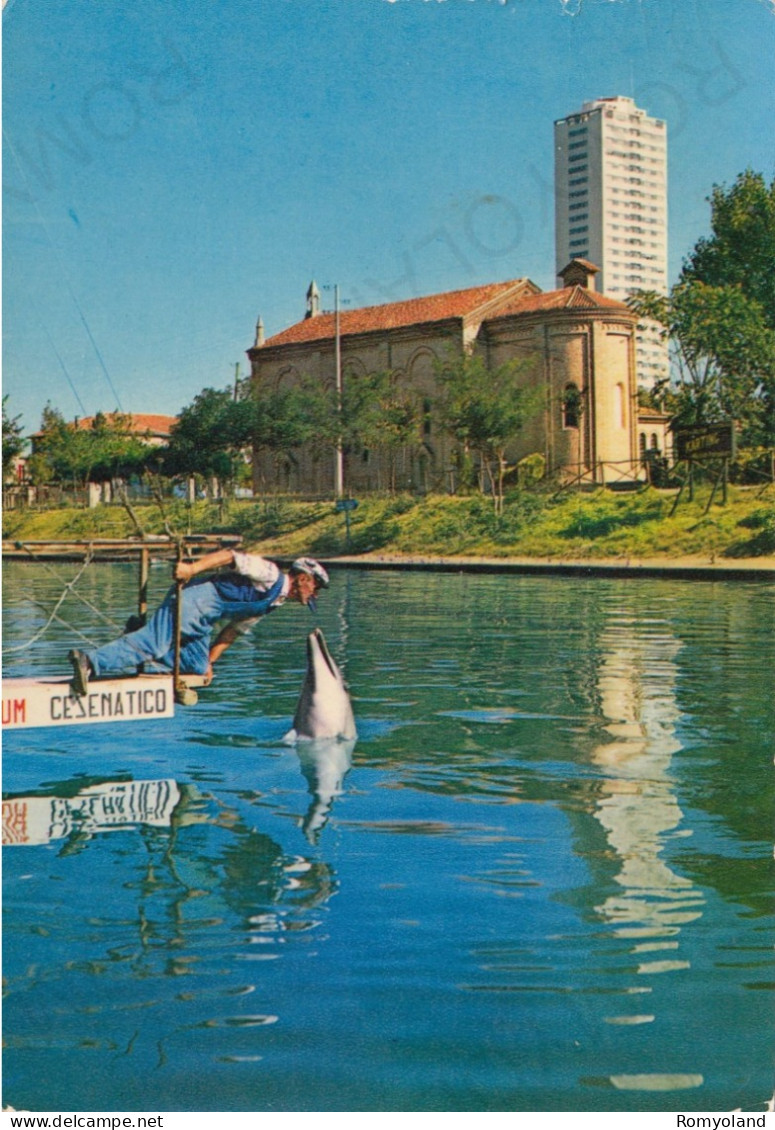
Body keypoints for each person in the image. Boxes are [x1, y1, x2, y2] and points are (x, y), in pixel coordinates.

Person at [67, 551, 330, 696]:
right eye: (315, 587)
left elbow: (232, 632)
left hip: (205, 620)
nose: (314, 595)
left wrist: (210, 663)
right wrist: (192, 569)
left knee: (195, 667)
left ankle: (141, 634)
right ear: (304, 578)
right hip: (197, 599)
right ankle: (90, 662)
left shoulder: (274, 603)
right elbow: (231, 557)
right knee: (155, 645)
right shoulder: (271, 574)